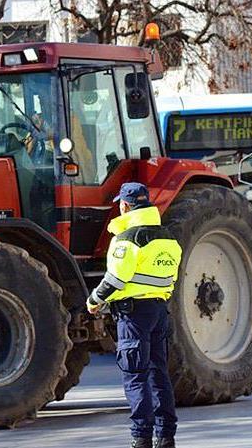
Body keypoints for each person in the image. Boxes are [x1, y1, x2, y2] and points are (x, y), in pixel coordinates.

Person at [86, 182, 183, 448]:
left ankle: (141, 438)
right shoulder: (168, 238)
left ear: (125, 205)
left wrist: (94, 301)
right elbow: (170, 279)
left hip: (133, 315)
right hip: (158, 310)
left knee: (135, 373)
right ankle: (166, 436)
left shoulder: (126, 239)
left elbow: (116, 278)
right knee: (158, 373)